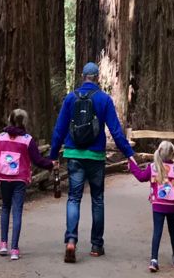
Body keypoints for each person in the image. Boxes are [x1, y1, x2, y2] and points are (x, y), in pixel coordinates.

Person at [50, 61, 135, 263]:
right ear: (97, 77)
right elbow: (115, 130)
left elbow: (59, 129)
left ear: (83, 76)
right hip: (96, 157)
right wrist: (129, 153)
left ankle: (71, 240)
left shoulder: (71, 98)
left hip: (74, 156)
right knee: (97, 199)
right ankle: (96, 245)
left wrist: (53, 155)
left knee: (74, 198)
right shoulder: (104, 99)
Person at [0, 108, 54, 259]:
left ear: (10, 119)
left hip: (4, 178)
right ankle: (14, 249)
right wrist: (51, 164)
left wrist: (1, 166)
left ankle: (3, 244)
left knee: (5, 208)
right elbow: (37, 160)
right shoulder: (27, 139)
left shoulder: (1, 137)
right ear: (24, 122)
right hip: (20, 179)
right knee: (17, 211)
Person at [128, 139, 174, 272]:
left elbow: (141, 177)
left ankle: (154, 260)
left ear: (159, 152)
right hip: (173, 205)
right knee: (173, 231)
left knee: (157, 231)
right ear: (173, 154)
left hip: (158, 205)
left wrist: (132, 164)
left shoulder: (153, 167)